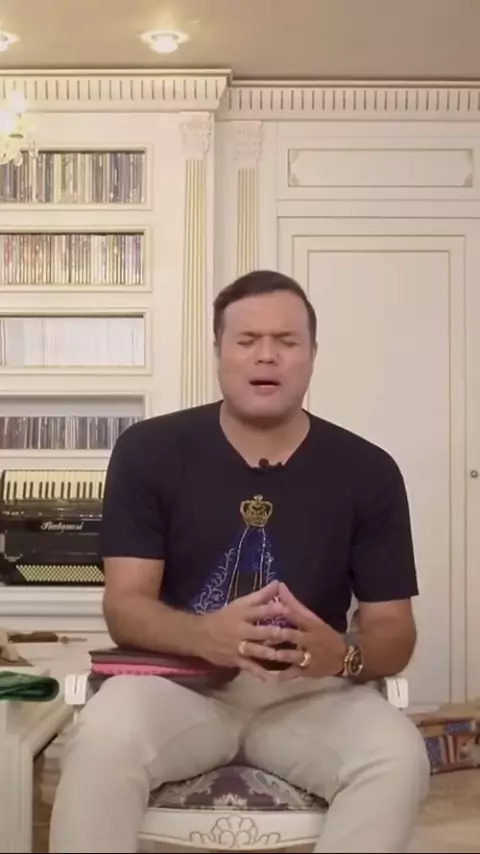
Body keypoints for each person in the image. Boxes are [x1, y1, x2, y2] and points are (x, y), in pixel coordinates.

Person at [50, 270, 430, 853]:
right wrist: (205, 635)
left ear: (312, 354)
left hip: (311, 693)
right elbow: (124, 607)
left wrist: (342, 654)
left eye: (286, 340)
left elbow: (394, 632)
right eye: (247, 340)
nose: (267, 355)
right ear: (219, 352)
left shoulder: (369, 471)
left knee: (398, 757)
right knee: (102, 737)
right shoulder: (149, 451)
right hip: (179, 687)